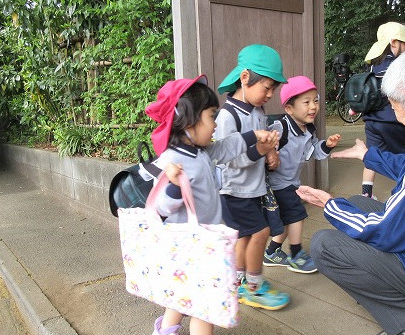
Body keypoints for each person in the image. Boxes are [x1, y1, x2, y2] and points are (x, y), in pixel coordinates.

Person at [298, 50, 405, 335]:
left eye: (395, 106)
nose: (395, 114)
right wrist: (369, 156)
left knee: (325, 245)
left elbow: (387, 229)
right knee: (357, 203)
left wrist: (330, 205)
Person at [144, 74, 280, 335]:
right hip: (188, 248)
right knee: (204, 308)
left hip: (200, 245)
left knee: (180, 300)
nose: (216, 124)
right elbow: (160, 209)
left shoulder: (200, 152)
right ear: (188, 121)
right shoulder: (172, 161)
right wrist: (173, 185)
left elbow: (227, 148)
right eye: (211, 117)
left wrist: (254, 134)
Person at [215, 44, 291, 310]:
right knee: (262, 232)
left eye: (273, 89)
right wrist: (262, 148)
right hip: (234, 191)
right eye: (267, 88)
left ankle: (236, 283)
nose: (270, 95)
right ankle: (254, 287)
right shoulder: (228, 115)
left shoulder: (257, 111)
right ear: (245, 78)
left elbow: (265, 143)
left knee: (245, 238)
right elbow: (231, 159)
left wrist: (271, 150)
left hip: (252, 188)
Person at [262, 76, 341, 274]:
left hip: (291, 182)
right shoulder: (281, 128)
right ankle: (296, 254)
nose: (313, 106)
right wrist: (269, 154)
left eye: (315, 100)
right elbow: (264, 146)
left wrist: (327, 145)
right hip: (278, 183)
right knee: (297, 215)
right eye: (306, 102)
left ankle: (272, 252)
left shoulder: (308, 130)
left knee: (288, 220)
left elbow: (315, 151)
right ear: (289, 108)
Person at [360, 22, 405, 199]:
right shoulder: (397, 65)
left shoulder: (372, 64)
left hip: (371, 121)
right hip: (391, 121)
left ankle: (366, 193)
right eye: (404, 44)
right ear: (394, 43)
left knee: (372, 155)